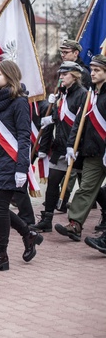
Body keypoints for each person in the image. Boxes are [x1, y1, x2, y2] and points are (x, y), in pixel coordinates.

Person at [0, 60, 43, 272]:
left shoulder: (19, 102)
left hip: (12, 161)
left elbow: (25, 138)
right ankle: (28, 234)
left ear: (9, 76)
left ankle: (1, 253)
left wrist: (21, 168)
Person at [55, 54, 106, 241]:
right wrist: (71, 145)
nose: (92, 73)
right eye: (92, 69)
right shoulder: (91, 94)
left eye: (97, 70)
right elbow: (79, 121)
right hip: (92, 152)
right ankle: (75, 224)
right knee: (85, 188)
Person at [32, 61, 88, 232]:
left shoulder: (83, 95)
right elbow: (59, 118)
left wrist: (74, 146)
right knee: (53, 182)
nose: (61, 77)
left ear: (75, 76)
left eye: (65, 74)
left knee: (88, 186)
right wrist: (51, 119)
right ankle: (47, 219)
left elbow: (80, 123)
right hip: (61, 147)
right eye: (60, 74)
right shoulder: (61, 94)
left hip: (78, 149)